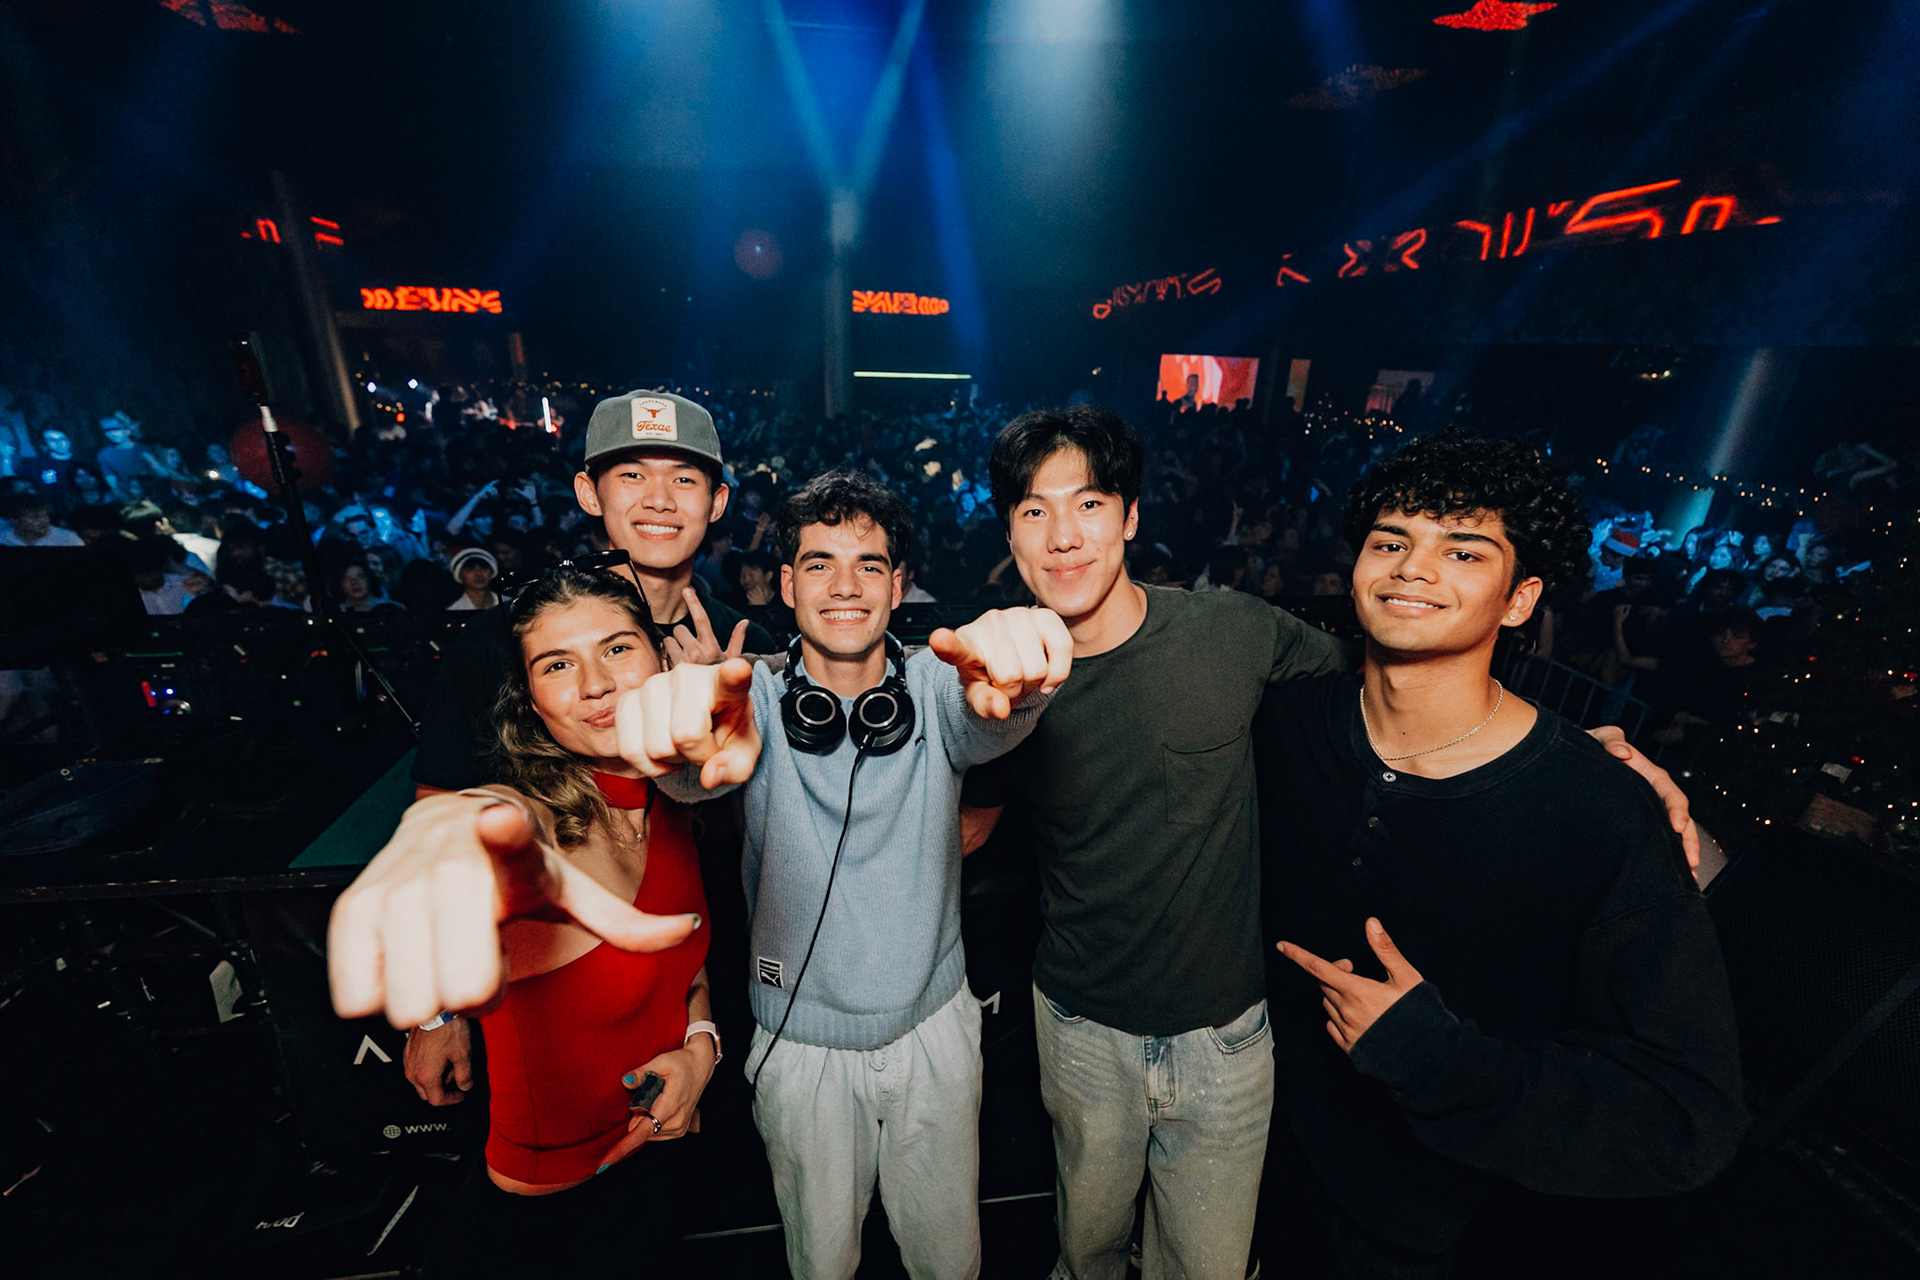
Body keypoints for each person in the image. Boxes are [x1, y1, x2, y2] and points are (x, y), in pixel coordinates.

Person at [959, 406, 1698, 1280]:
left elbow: (1397, 677)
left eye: (1087, 503)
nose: (1063, 535)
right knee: (1085, 1247)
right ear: (1009, 532)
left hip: (1232, 1036)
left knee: (1205, 1265)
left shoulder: (1234, 635)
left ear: (1131, 516)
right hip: (1077, 1023)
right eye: (1034, 511)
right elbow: (965, 819)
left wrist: (1583, 751)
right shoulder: (994, 676)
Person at [1257, 433, 1745, 1277]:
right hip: (1243, 1168)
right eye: (1391, 541)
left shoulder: (1599, 810)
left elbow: (1685, 1113)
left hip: (1420, 1226)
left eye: (1463, 550)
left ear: (1520, 601)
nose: (1414, 568)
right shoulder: (1280, 722)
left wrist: (1439, 1060)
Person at [652, 470, 1072, 1279]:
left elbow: (996, 715)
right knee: (821, 1265)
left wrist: (1025, 677)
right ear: (786, 585)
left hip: (934, 1032)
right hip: (798, 1044)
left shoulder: (937, 685)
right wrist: (679, 737)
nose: (845, 586)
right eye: (820, 564)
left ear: (898, 584)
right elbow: (686, 776)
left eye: (868, 564)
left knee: (949, 1262)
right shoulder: (749, 698)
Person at [327, 568, 735, 1274]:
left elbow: (685, 963)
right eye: (557, 665)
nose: (596, 685)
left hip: (650, 1164)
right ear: (530, 699)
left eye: (617, 649)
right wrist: (434, 1016)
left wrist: (702, 1048)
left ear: (663, 661)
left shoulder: (667, 802)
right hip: (542, 1211)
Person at [404, 389, 774, 1110]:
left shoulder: (745, 647)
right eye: (632, 475)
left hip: (703, 980)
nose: (659, 499)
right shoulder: (507, 641)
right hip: (549, 1000)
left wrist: (712, 730)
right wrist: (434, 1013)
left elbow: (763, 833)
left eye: (685, 478)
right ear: (588, 493)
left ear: (719, 502)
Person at [447, 546, 500, 611]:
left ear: (492, 571)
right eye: (470, 569)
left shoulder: (507, 603)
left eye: (484, 568)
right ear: (460, 575)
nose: (479, 574)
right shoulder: (454, 610)